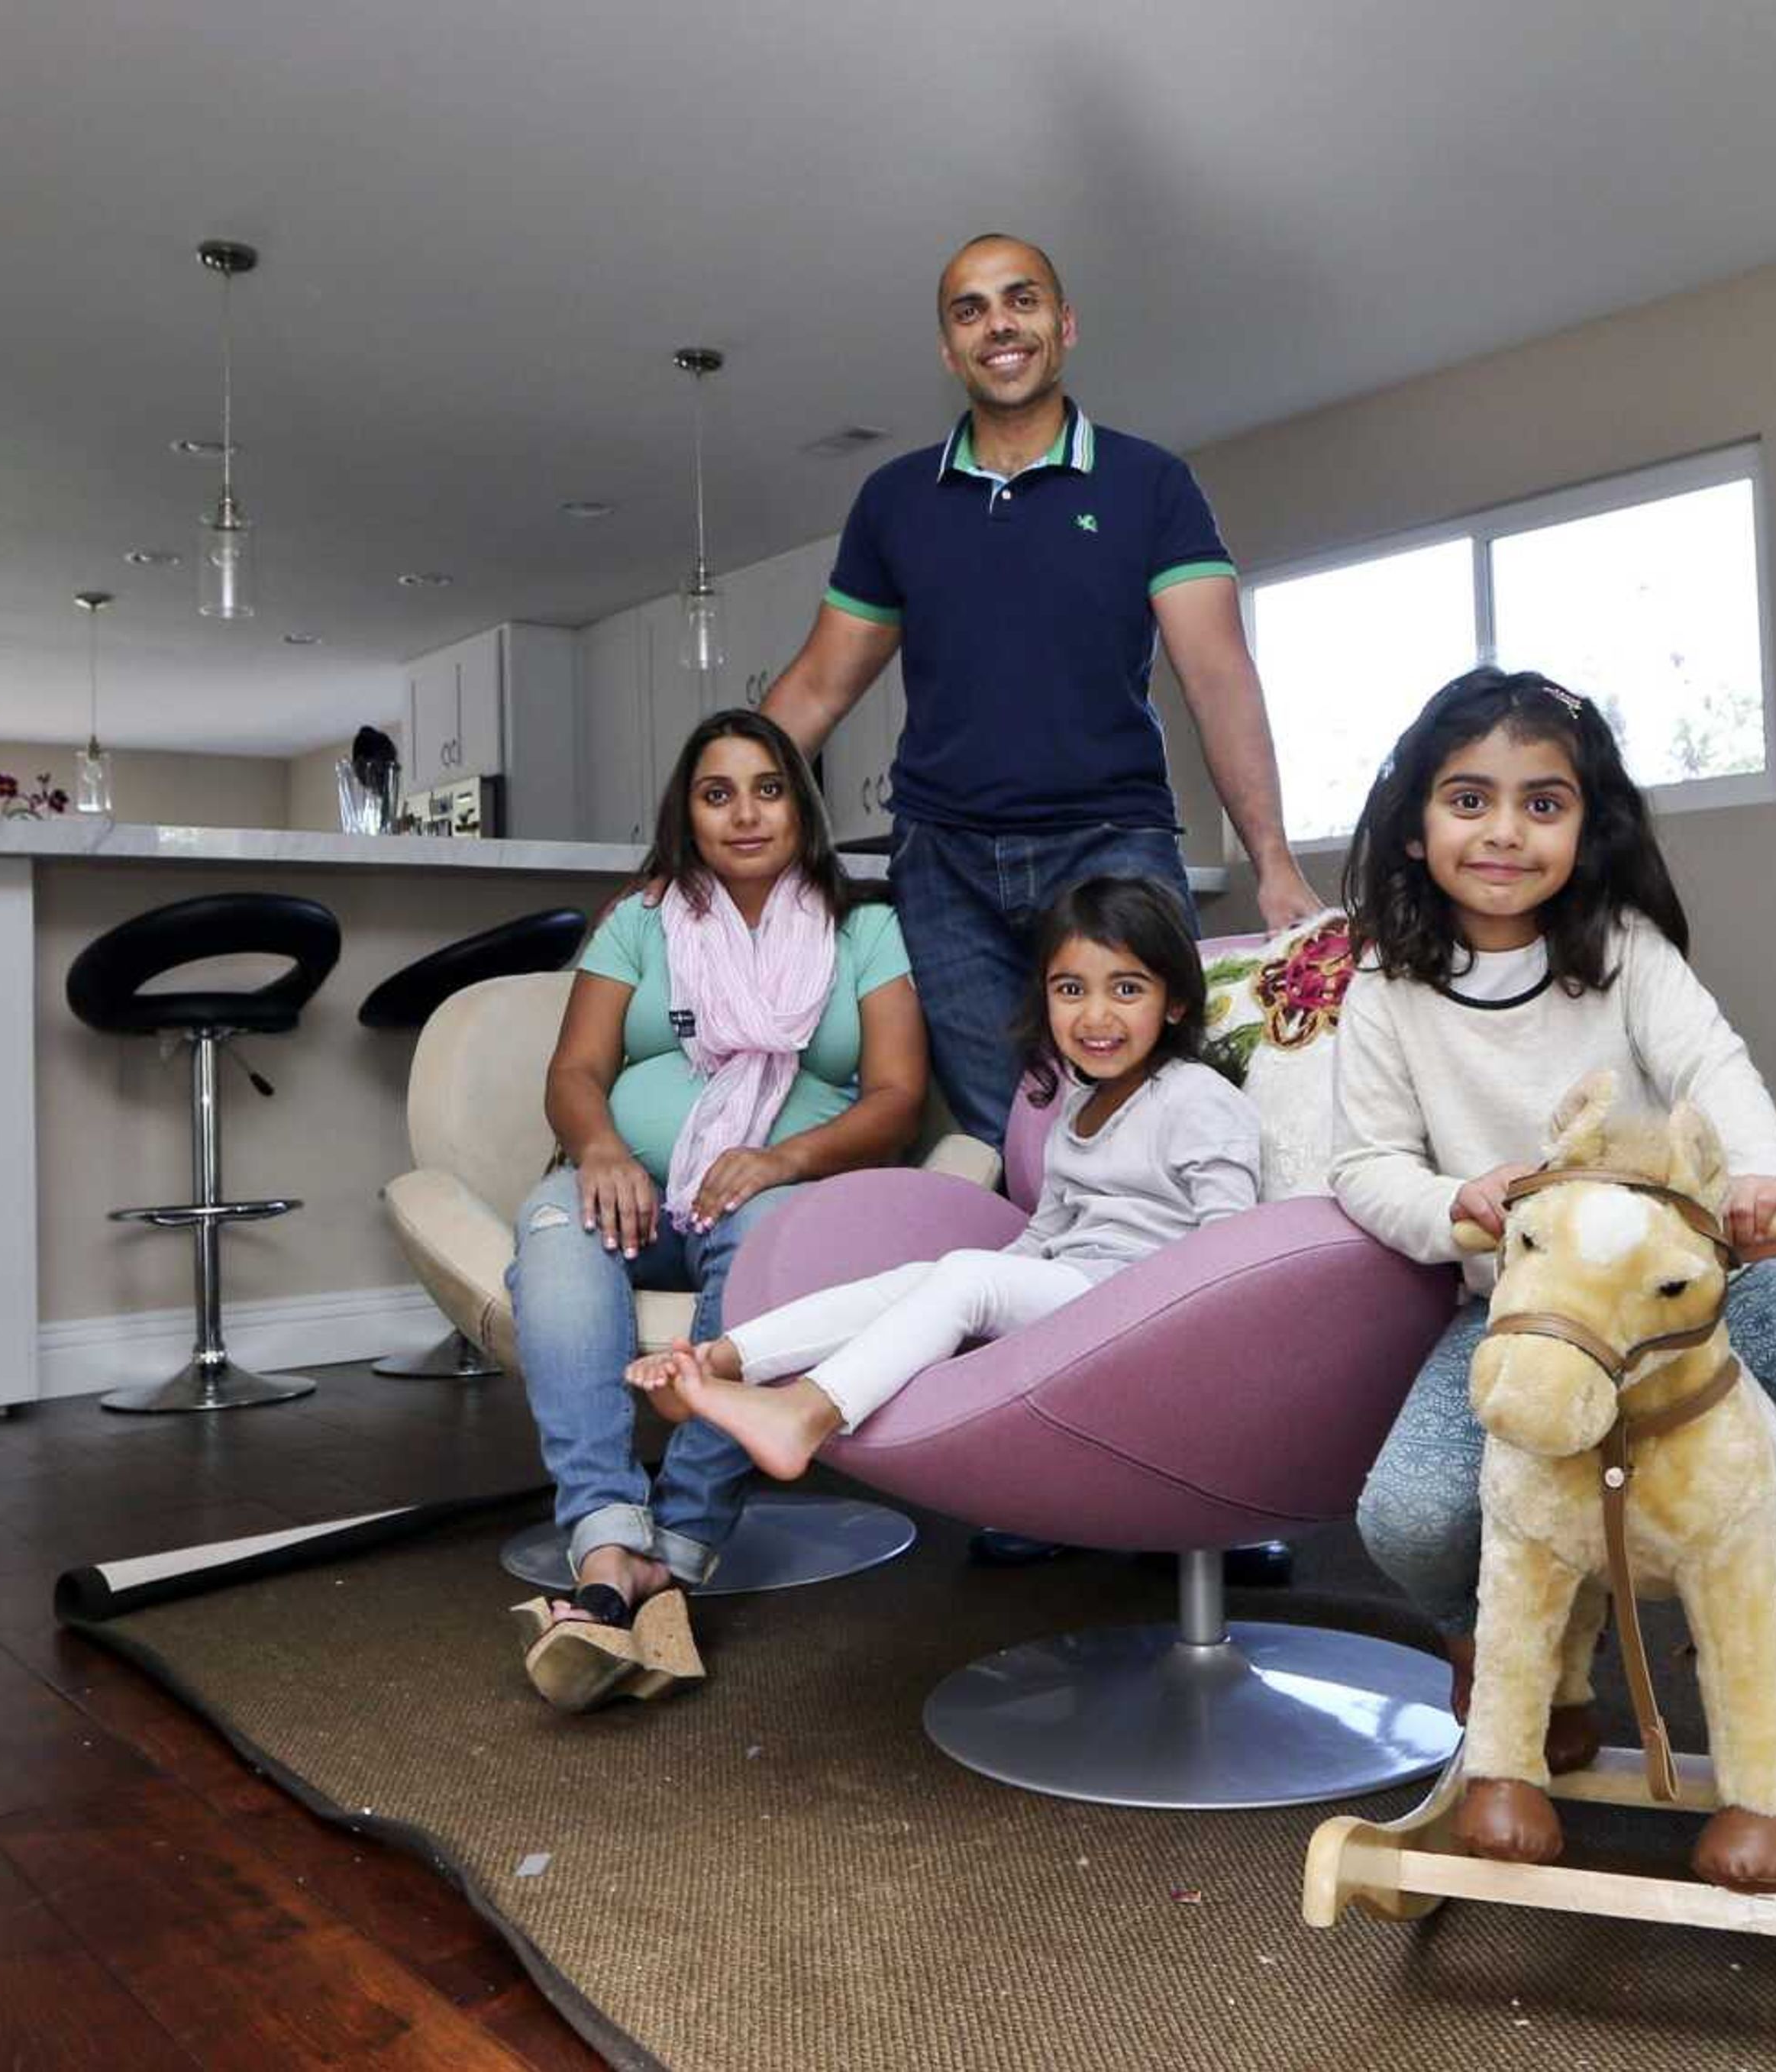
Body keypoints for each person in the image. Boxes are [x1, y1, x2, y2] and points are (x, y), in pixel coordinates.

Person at [1328, 665, 1776, 1869]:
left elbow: (1718, 1070)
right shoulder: (1386, 986)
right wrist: (1449, 1202)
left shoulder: (1623, 951)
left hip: (1692, 1299)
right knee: (1408, 1513)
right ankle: (1501, 1654)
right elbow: (1363, 1162)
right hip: (1528, 1316)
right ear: (1415, 822)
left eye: (1542, 803)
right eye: (1469, 799)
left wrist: (1761, 1183)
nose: (1504, 830)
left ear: (1588, 825)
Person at [759, 231, 1322, 1154]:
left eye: (1020, 300)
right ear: (950, 350)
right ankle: (1053, 1297)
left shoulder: (1151, 484)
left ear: (1064, 324)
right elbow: (819, 687)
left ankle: (1159, 1298)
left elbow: (1217, 677)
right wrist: (696, 823)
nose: (999, 325)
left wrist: (1273, 859)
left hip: (1113, 844)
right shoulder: (894, 500)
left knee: (1157, 1112)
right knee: (1015, 1138)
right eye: (970, 309)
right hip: (944, 868)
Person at [507, 710, 929, 1711]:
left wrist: (782, 1157)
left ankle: (673, 1552)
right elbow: (575, 1068)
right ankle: (608, 1539)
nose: (745, 812)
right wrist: (603, 1148)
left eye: (767, 787)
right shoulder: (640, 922)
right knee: (560, 1219)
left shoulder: (864, 927)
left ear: (802, 805)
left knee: (763, 1229)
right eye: (716, 792)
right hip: (637, 1199)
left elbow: (897, 1099)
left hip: (774, 1200)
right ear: (686, 814)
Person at [627, 875, 1260, 1478]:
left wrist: (982, 1287)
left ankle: (805, 1413)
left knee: (964, 1277)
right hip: (1077, 1291)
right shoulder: (1076, 1105)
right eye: (1071, 990)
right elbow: (1048, 1233)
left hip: (1143, 1308)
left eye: (1126, 990)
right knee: (929, 1277)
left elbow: (1231, 1250)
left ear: (1174, 1001)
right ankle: (725, 1360)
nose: (1095, 1016)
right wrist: (985, 1300)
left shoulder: (1196, 1099)